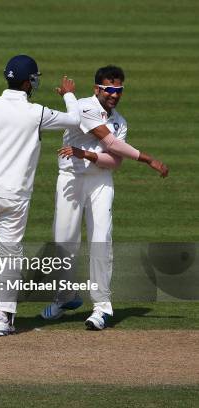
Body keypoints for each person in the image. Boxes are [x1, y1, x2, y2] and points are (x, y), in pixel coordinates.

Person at [0, 55, 80, 334]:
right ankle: (3, 318)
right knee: (10, 254)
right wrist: (70, 95)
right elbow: (75, 120)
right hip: (16, 196)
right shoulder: (37, 113)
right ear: (28, 82)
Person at [40, 65, 169, 330]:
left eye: (118, 90)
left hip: (100, 182)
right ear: (97, 88)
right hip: (70, 180)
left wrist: (87, 155)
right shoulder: (85, 106)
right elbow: (109, 143)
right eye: (109, 90)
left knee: (101, 239)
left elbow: (114, 160)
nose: (114, 95)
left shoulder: (120, 122)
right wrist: (149, 159)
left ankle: (102, 307)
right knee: (64, 242)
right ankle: (65, 298)